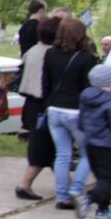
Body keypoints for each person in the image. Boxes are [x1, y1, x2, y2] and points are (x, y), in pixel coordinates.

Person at [43, 17, 98, 209]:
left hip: (54, 108)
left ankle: (62, 196)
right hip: (76, 110)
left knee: (62, 154)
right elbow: (89, 89)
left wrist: (47, 104)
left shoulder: (50, 54)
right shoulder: (87, 57)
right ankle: (77, 187)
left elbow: (46, 83)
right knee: (88, 152)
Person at [15, 18, 59, 199]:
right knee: (47, 146)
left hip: (32, 102)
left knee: (49, 146)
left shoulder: (32, 51)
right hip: (43, 103)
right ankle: (25, 184)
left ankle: (67, 183)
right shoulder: (51, 54)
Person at [76, 64, 111, 219]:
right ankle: (88, 198)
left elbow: (81, 122)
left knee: (102, 178)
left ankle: (103, 209)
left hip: (90, 143)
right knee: (109, 179)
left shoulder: (85, 96)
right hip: (108, 146)